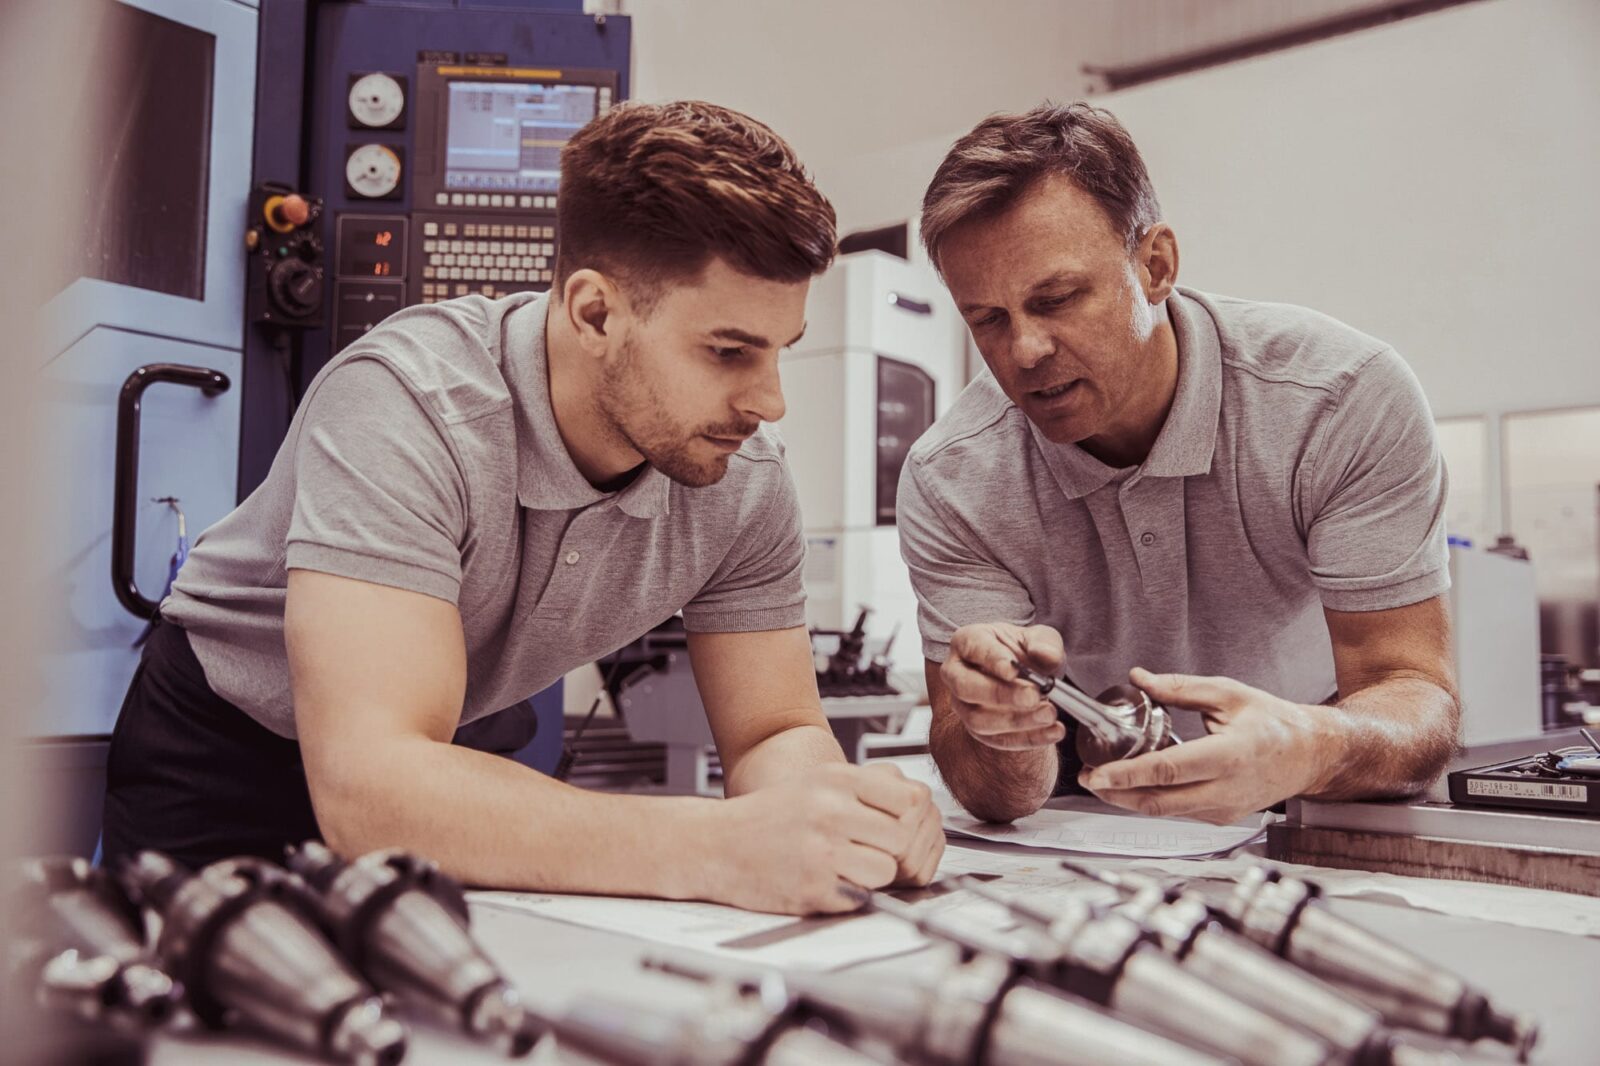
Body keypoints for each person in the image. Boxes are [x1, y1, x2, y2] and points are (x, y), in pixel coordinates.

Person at [102, 100, 943, 915]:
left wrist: (843, 818)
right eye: (728, 352)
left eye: (778, 352)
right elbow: (373, 794)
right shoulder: (408, 403)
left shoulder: (744, 479)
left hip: (434, 754)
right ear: (595, 312)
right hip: (231, 750)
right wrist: (722, 845)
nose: (769, 402)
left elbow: (771, 734)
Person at [899, 102, 1459, 826]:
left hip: (1328, 787)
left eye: (1058, 299)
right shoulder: (953, 478)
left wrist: (1306, 747)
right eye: (988, 320)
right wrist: (997, 731)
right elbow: (988, 791)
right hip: (1103, 813)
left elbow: (1412, 692)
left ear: (1155, 265)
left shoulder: (1340, 398)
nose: (1025, 351)